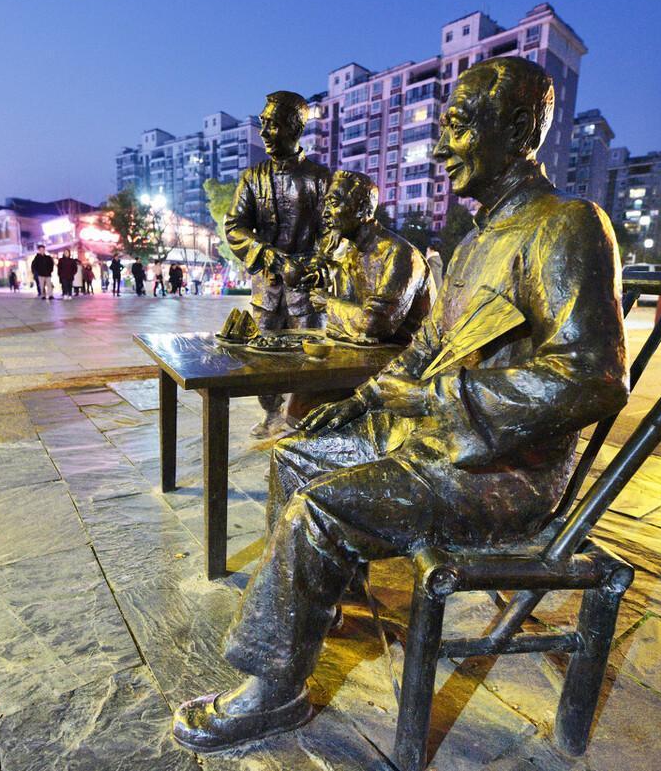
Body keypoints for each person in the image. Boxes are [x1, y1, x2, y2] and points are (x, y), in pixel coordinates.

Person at [172, 57, 628, 754]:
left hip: (502, 471)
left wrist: (439, 397)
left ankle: (274, 689)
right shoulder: (475, 243)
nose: (441, 148)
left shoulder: (566, 225)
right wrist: (359, 403)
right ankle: (316, 609)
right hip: (436, 441)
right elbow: (424, 352)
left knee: (317, 509)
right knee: (296, 454)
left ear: (516, 131)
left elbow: (593, 377)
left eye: (459, 127)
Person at [225, 90, 331, 437]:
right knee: (264, 357)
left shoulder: (320, 178)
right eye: (263, 123)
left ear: (294, 129)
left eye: (272, 124)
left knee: (309, 359)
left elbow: (333, 233)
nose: (264, 132)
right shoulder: (252, 178)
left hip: (306, 290)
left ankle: (302, 420)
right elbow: (235, 226)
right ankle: (272, 414)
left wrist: (314, 266)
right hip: (267, 289)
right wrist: (269, 256)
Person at [312, 170, 429, 346]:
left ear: (361, 208)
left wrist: (328, 303)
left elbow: (375, 324)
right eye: (326, 204)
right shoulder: (347, 252)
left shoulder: (399, 253)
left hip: (404, 353)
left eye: (334, 203)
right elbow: (346, 318)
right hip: (362, 349)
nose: (325, 213)